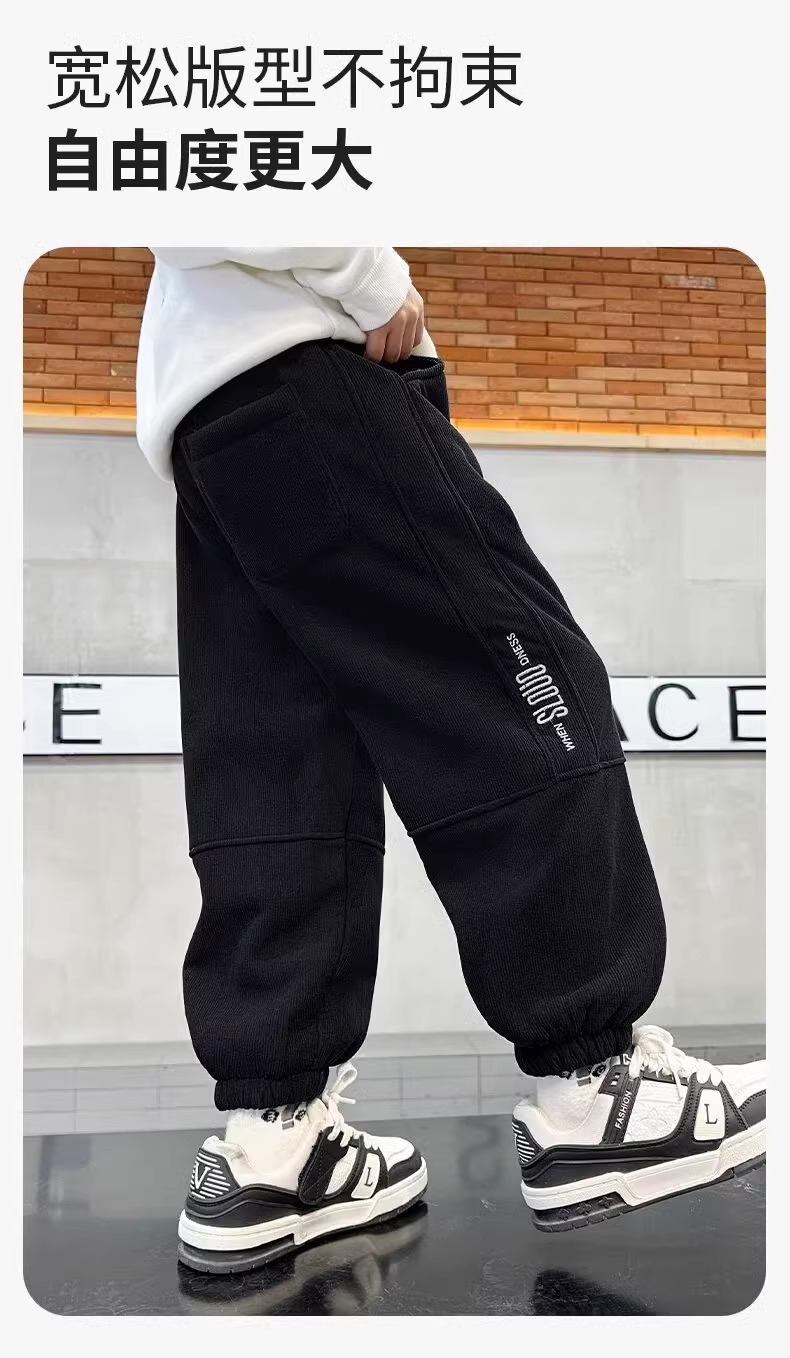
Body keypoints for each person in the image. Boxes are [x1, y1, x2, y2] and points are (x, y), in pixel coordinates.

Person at [136, 247, 766, 1274]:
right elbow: (247, 170)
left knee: (283, 758)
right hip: (309, 368)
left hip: (205, 419)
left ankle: (272, 1141)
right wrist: (372, 277)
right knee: (522, 683)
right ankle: (598, 1085)